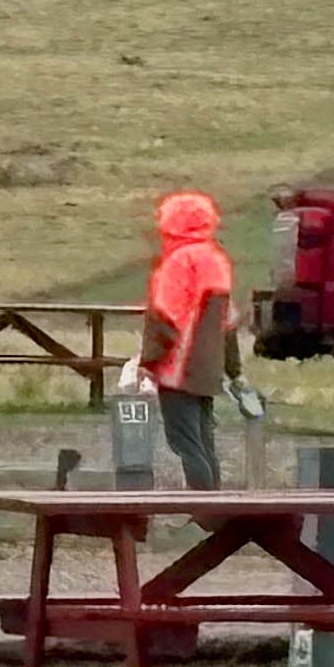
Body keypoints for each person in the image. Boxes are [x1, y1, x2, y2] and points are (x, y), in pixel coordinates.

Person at [134, 189, 238, 488]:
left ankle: (203, 511)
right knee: (205, 442)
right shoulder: (217, 261)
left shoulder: (177, 262)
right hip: (209, 370)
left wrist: (148, 363)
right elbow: (228, 324)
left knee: (185, 444)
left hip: (177, 370)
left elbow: (164, 317)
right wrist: (234, 370)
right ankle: (215, 509)